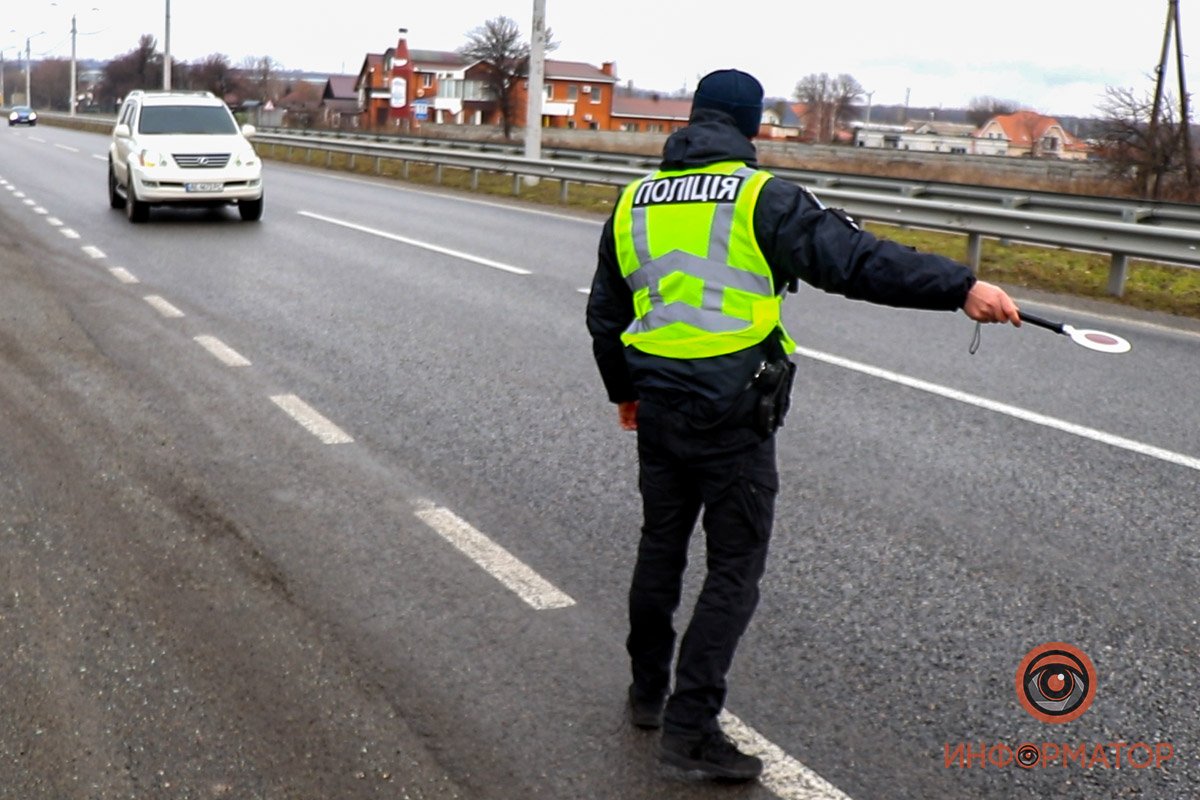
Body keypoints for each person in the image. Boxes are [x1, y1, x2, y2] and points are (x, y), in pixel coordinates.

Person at [585, 68, 1021, 782]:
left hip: (660, 404)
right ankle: (690, 732)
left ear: (694, 121)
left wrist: (623, 393)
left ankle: (646, 694)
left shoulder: (632, 201)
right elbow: (855, 261)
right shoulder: (762, 196)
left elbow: (606, 314)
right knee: (734, 566)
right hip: (732, 413)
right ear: (749, 126)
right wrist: (959, 286)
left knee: (660, 546)